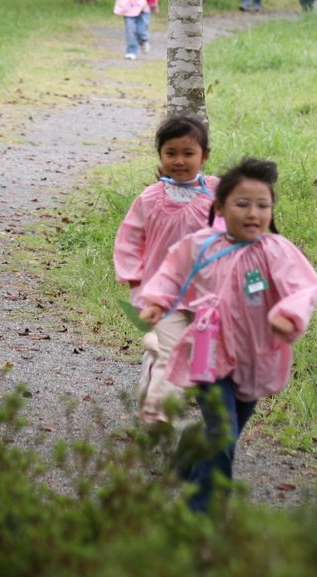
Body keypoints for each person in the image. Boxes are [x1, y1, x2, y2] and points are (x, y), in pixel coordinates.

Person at [138, 158, 317, 512]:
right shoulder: (203, 245)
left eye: (262, 205)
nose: (253, 213)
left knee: (228, 430)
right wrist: (157, 302)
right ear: (220, 207)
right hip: (209, 351)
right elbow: (172, 273)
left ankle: (192, 453)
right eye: (242, 204)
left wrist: (288, 316)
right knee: (223, 434)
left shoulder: (276, 250)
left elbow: (304, 287)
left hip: (257, 355)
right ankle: (202, 514)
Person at [114, 115, 218, 424]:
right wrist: (135, 281)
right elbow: (130, 239)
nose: (180, 160)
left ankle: (154, 356)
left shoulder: (219, 194)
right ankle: (157, 415)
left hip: (209, 294)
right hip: (165, 295)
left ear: (204, 156)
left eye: (188, 153)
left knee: (201, 360)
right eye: (171, 153)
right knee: (175, 355)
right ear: (160, 155)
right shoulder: (149, 198)